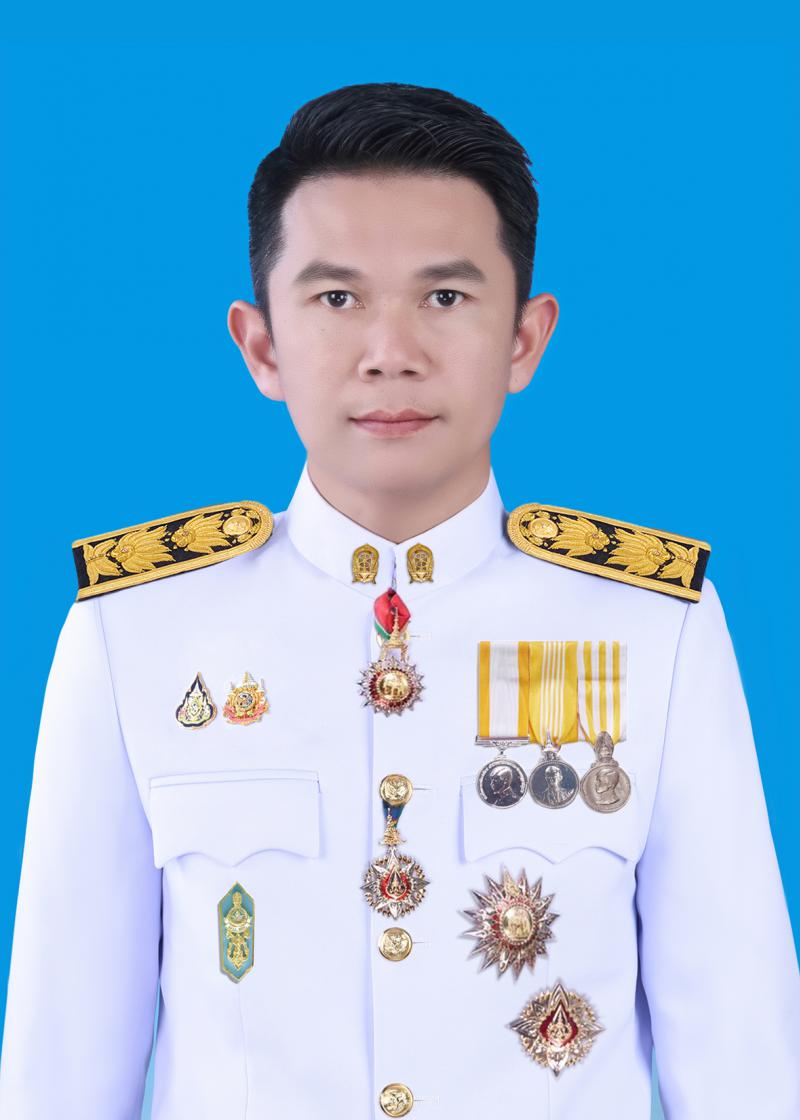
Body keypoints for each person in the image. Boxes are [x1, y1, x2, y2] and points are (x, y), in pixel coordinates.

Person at [0, 81, 797, 1120]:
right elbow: (63, 1059)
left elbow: (740, 1049)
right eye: (337, 299)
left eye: (445, 298)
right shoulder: (136, 628)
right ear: (261, 345)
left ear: (524, 339)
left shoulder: (653, 627)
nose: (391, 352)